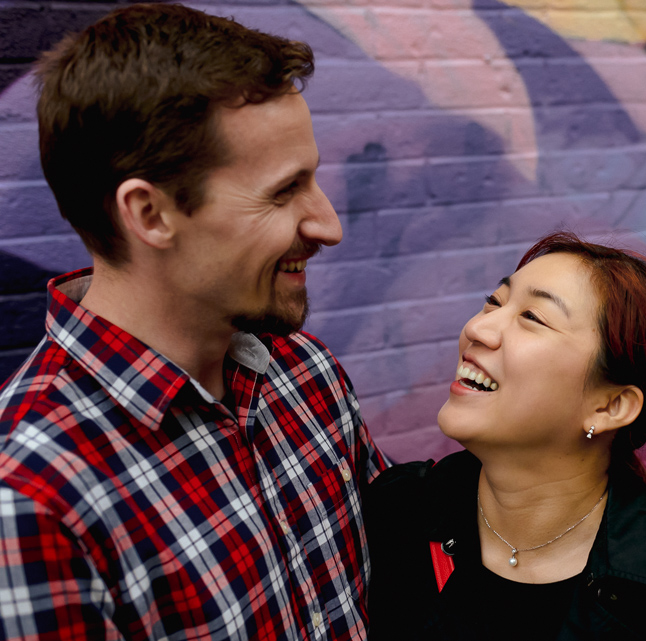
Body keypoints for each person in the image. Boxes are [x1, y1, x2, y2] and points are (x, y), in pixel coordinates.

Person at [0, 5, 387, 640]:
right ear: (150, 214)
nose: (327, 226)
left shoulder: (307, 378)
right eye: (283, 191)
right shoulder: (36, 500)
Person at [364, 231, 646, 640]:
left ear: (611, 406)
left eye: (533, 318)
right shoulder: (399, 511)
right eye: (495, 301)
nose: (479, 328)